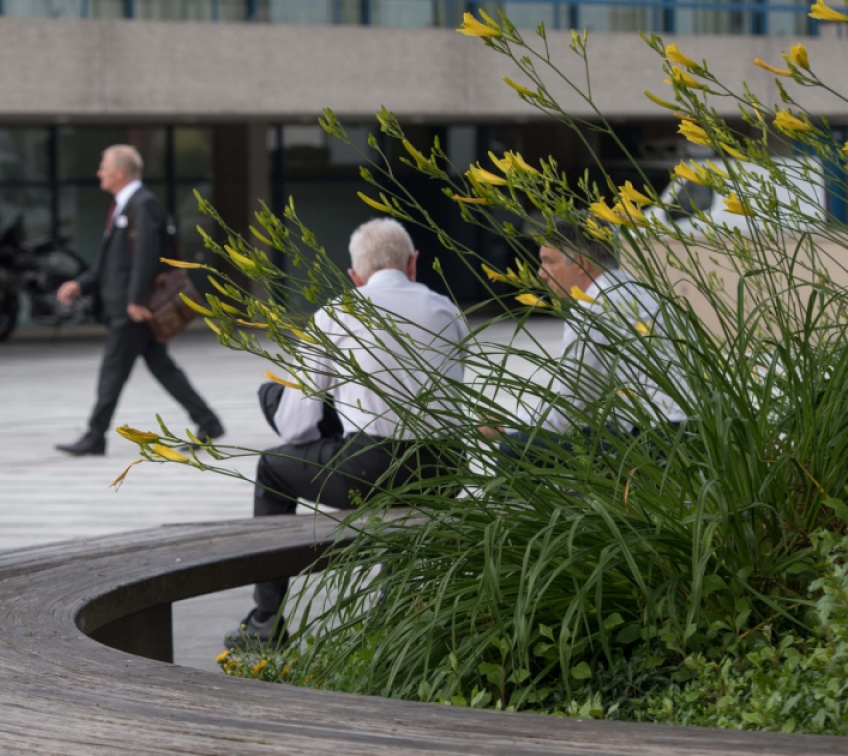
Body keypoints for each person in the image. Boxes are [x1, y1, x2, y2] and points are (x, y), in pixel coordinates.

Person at [225, 219, 468, 650]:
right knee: (401, 493)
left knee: (272, 466)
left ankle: (266, 621)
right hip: (444, 468)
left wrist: (286, 403)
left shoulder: (337, 314)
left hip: (369, 470)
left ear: (355, 277)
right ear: (413, 263)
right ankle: (394, 612)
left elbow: (295, 426)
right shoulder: (447, 311)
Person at [54, 144, 223, 456]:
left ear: (119, 172)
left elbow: (147, 255)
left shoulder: (142, 204)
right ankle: (208, 422)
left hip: (132, 310)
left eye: (103, 167)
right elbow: (111, 262)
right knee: (162, 368)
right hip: (131, 306)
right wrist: (80, 284)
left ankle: (95, 435)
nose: (99, 173)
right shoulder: (127, 205)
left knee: (113, 371)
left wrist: (135, 300)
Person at [482, 219, 689, 454]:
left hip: (661, 440)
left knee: (515, 449)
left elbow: (570, 411)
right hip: (689, 430)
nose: (541, 274)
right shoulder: (638, 289)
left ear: (581, 264)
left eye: (549, 262)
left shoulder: (593, 306)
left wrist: (508, 425)